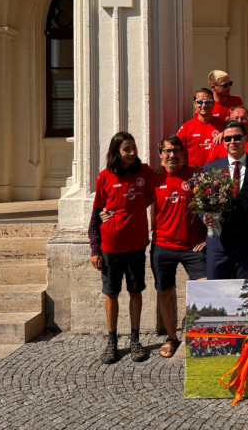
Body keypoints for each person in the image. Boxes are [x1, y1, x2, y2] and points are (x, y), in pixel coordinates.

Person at [88, 131, 153, 365]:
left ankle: (135, 339)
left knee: (136, 291)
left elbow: (147, 200)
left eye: (134, 148)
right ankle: (112, 342)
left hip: (136, 246)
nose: (132, 153)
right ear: (116, 152)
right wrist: (95, 249)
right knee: (111, 294)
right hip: (110, 248)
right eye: (127, 149)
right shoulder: (104, 176)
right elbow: (96, 216)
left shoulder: (144, 172)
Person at [149, 135, 206, 358]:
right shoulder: (153, 178)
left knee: (204, 287)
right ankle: (172, 337)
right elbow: (131, 202)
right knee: (165, 291)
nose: (172, 155)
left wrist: (208, 238)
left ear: (183, 154)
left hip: (193, 246)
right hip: (163, 246)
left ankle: (198, 335)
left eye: (176, 151)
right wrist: (108, 212)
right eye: (167, 151)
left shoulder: (195, 176)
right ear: (161, 154)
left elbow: (211, 206)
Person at [203, 120, 248, 279]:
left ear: (246, 138)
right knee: (215, 298)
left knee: (247, 297)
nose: (232, 142)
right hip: (218, 244)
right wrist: (205, 217)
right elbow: (202, 203)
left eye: (237, 137)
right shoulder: (211, 168)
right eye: (228, 138)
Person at [177, 88, 225, 168]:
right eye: (200, 102)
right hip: (193, 175)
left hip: (218, 174)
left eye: (208, 102)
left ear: (213, 103)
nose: (204, 105)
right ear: (194, 104)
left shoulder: (224, 126)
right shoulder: (186, 127)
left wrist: (225, 132)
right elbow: (174, 148)